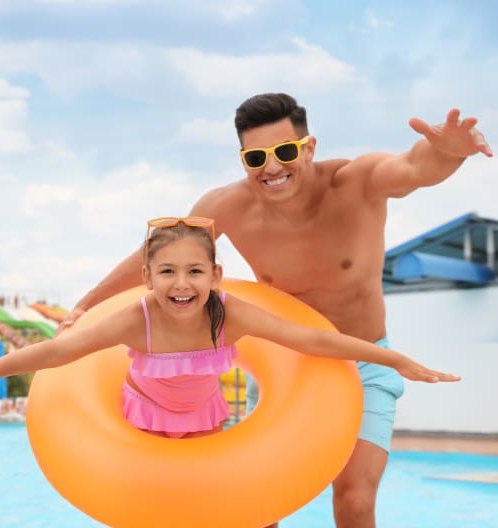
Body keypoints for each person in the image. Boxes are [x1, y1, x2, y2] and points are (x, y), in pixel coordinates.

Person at [58, 94, 491, 527]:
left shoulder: (355, 182)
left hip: (363, 359)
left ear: (309, 147)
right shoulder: (224, 207)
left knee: (355, 500)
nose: (271, 168)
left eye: (285, 152)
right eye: (255, 157)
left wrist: (446, 153)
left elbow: (414, 167)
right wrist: (83, 306)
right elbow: (157, 259)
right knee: (261, 507)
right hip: (288, 364)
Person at [0, 219, 459, 442]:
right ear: (147, 279)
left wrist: (394, 359)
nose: (182, 284)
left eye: (195, 271)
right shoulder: (137, 319)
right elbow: (59, 351)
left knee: (225, 501)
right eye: (168, 272)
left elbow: (311, 340)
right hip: (142, 419)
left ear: (215, 276)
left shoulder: (229, 313)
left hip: (204, 416)